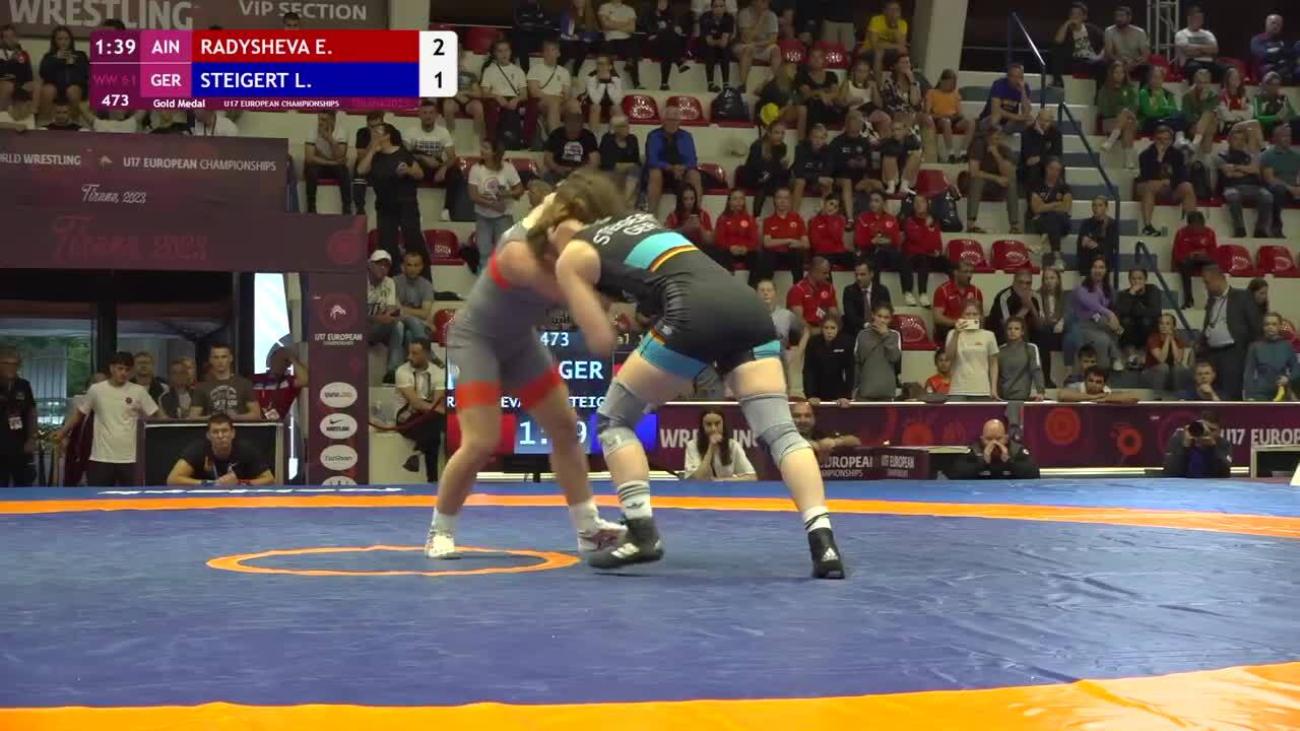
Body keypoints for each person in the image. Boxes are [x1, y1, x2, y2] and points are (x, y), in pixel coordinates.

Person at [534, 179, 846, 578]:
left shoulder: (573, 255)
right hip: (746, 307)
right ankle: (824, 544)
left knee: (614, 419)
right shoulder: (640, 220)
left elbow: (600, 339)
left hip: (691, 312)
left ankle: (641, 531)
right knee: (782, 433)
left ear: (563, 221)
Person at [426, 176, 628, 560]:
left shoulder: (553, 230)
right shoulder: (517, 254)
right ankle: (441, 529)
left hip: (519, 343)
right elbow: (580, 300)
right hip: (477, 342)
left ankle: (588, 529)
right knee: (481, 441)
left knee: (565, 428)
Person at [54, 352, 159, 487]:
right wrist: (62, 432)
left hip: (130, 457)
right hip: (100, 457)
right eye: (120, 368)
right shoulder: (96, 390)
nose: (123, 373)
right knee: (97, 496)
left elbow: (156, 415)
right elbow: (79, 414)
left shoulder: (139, 391)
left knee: (132, 497)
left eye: (127, 370)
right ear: (111, 368)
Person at [358, 123, 426, 268]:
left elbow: (420, 173)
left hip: (406, 203)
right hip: (385, 206)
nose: (374, 135)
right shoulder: (374, 156)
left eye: (377, 132)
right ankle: (392, 277)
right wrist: (372, 150)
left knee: (413, 240)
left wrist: (408, 170)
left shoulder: (402, 153)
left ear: (387, 135)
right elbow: (361, 170)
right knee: (387, 245)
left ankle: (422, 276)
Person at [1199, 265, 1263, 400]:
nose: (1205, 287)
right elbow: (1208, 325)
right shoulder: (1211, 301)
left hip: (1233, 353)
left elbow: (1256, 326)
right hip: (1212, 353)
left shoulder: (1242, 296)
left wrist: (1253, 353)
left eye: (1207, 282)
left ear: (1218, 279)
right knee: (1213, 392)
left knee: (1231, 391)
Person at [166, 414, 275, 486]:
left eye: (224, 431)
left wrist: (239, 483)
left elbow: (269, 479)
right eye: (215, 432)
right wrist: (211, 484)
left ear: (233, 433)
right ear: (208, 435)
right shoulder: (198, 449)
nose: (220, 436)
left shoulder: (245, 450)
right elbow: (172, 479)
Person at [394, 337, 446, 482]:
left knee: (433, 427)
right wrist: (439, 410)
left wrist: (436, 409)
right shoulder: (402, 371)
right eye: (410, 352)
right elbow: (416, 403)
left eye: (415, 353)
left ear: (427, 354)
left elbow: (437, 402)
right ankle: (433, 480)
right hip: (406, 416)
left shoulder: (438, 373)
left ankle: (418, 452)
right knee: (434, 429)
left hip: (429, 418)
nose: (409, 357)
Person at [468, 138, 525, 267]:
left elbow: (520, 189)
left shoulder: (508, 168)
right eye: (482, 147)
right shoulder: (476, 169)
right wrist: (493, 205)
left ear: (495, 152)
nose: (482, 150)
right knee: (484, 252)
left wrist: (506, 194)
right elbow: (473, 195)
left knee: (504, 252)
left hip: (504, 216)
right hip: (483, 216)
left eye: (486, 148)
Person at [1136, 124, 1196, 237]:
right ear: (1154, 139)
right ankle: (1147, 226)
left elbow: (1182, 175)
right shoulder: (1145, 155)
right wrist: (1159, 158)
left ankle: (1193, 226)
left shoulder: (1177, 155)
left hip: (1171, 188)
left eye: (1166, 139)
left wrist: (1170, 182)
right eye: (1160, 139)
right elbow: (1146, 175)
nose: (1163, 142)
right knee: (1150, 185)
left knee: (1187, 186)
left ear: (1171, 140)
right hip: (1151, 188)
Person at [1219, 125, 1276, 239]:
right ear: (1229, 140)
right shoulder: (1223, 155)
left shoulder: (1250, 155)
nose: (1239, 142)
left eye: (1242, 140)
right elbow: (1228, 173)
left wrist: (1237, 167)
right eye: (1236, 139)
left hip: (1254, 187)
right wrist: (1247, 170)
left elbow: (1256, 170)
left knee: (1267, 196)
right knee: (1233, 196)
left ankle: (1260, 230)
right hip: (1232, 186)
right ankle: (1239, 228)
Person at [645, 106, 703, 215]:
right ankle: (652, 215)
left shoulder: (686, 136)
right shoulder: (653, 136)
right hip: (662, 172)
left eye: (676, 120)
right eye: (670, 120)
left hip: (681, 172)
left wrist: (682, 168)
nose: (673, 123)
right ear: (663, 121)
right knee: (655, 173)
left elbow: (692, 160)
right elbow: (652, 160)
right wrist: (671, 168)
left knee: (694, 175)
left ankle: (695, 213)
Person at [1071, 257, 1124, 372]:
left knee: (1115, 331)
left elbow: (1112, 309)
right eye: (1095, 267)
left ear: (1106, 270)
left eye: (1101, 267)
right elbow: (1093, 305)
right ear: (1090, 270)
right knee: (1104, 339)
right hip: (1084, 327)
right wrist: (1111, 315)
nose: (1098, 270)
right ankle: (1114, 359)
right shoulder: (1081, 289)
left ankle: (1108, 370)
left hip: (1103, 326)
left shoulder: (1109, 289)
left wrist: (1114, 320)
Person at [965, 126, 1020, 234]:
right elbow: (974, 172)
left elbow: (1008, 174)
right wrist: (996, 178)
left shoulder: (1005, 150)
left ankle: (1014, 226)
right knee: (977, 181)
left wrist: (996, 154)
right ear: (988, 138)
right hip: (981, 183)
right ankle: (971, 224)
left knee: (1011, 182)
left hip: (996, 186)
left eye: (999, 137)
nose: (997, 140)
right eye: (995, 137)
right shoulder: (978, 145)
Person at [946, 418, 1040, 479]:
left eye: (998, 439)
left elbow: (1034, 474)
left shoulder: (1016, 451)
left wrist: (1009, 462)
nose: (994, 443)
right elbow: (955, 476)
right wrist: (982, 462)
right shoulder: (973, 451)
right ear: (982, 439)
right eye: (989, 439)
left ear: (1006, 438)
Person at [902, 194, 950, 309]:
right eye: (916, 202)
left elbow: (936, 241)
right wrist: (925, 226)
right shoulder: (910, 221)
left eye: (922, 202)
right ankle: (922, 294)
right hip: (913, 257)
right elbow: (917, 239)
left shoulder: (934, 222)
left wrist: (938, 251)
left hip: (930, 255)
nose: (919, 205)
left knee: (949, 263)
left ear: (928, 204)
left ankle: (954, 294)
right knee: (922, 259)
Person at [480, 39, 532, 144]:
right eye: (500, 51)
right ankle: (492, 140)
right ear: (495, 53)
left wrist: (516, 100)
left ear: (510, 52)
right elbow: (484, 93)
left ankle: (524, 140)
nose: (504, 54)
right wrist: (497, 97)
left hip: (514, 99)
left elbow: (524, 94)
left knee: (532, 106)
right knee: (490, 105)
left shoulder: (518, 71)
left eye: (506, 50)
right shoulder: (489, 70)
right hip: (496, 99)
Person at [365, 250, 407, 380]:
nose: (383, 268)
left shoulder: (389, 282)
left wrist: (390, 315)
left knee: (399, 325)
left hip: (378, 328)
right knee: (406, 327)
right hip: (359, 330)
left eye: (386, 265)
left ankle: (392, 373)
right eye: (379, 264)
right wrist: (378, 318)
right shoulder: (359, 281)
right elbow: (352, 314)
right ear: (369, 265)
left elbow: (390, 308)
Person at [189, 344, 261, 420]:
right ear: (210, 360)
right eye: (216, 357)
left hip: (238, 427)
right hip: (213, 427)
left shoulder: (244, 384)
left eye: (224, 357)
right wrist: (212, 418)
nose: (220, 361)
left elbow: (256, 414)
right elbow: (193, 417)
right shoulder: (201, 387)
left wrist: (236, 417)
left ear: (231, 358)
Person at [684, 409, 757, 481]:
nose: (713, 429)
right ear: (702, 427)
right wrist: (711, 447)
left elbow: (752, 477)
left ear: (723, 425)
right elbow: (696, 478)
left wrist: (721, 481)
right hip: (700, 488)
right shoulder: (692, 445)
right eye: (708, 424)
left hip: (726, 488)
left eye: (717, 424)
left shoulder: (733, 445)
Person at [945, 302, 998, 400]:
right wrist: (956, 333)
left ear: (980, 316)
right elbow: (948, 357)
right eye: (967, 314)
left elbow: (993, 364)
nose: (971, 317)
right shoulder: (952, 333)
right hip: (958, 389)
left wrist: (994, 388)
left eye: (975, 314)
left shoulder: (989, 335)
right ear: (961, 316)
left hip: (982, 389)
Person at [737, 120, 791, 217]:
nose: (780, 136)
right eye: (777, 133)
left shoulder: (782, 147)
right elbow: (755, 166)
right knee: (763, 187)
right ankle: (756, 217)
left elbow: (777, 169)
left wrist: (783, 165)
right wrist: (773, 169)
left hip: (770, 176)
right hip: (754, 176)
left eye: (783, 133)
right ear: (769, 133)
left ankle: (782, 216)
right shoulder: (758, 145)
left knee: (782, 184)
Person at [854, 190, 905, 290]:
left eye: (876, 201)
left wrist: (887, 241)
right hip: (869, 252)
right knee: (875, 259)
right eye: (871, 201)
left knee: (903, 259)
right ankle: (875, 291)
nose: (873, 203)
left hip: (888, 253)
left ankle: (907, 292)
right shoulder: (862, 218)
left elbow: (896, 240)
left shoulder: (891, 219)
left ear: (883, 203)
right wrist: (872, 241)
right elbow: (859, 241)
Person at [303, 111, 352, 215]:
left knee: (343, 170)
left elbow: (340, 157)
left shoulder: (341, 131)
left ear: (333, 120)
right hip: (321, 166)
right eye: (319, 119)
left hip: (335, 167)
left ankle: (347, 207)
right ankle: (311, 207)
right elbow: (309, 158)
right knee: (311, 169)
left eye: (324, 120)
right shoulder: (312, 130)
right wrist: (332, 163)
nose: (320, 123)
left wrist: (330, 140)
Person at [0, 347, 36, 487]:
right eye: (6, 363)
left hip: (20, 444)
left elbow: (31, 412)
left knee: (24, 484)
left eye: (15, 364)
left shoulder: (24, 385)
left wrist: (32, 438)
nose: (11, 367)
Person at [1244, 312, 1299, 401]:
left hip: (1281, 391)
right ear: (1263, 327)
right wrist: (1249, 396)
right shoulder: (1255, 347)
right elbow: (1249, 373)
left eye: (1274, 324)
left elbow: (1296, 369)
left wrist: (1288, 379)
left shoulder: (1287, 346)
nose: (1270, 327)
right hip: (1260, 394)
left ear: (1280, 326)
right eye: (1267, 324)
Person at [711, 188, 763, 283]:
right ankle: (728, 283)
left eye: (741, 198)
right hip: (728, 251)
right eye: (735, 199)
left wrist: (746, 248)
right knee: (720, 253)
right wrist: (730, 247)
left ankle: (753, 286)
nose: (738, 202)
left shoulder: (749, 219)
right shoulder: (722, 218)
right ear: (729, 201)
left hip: (745, 251)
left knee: (759, 257)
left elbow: (754, 240)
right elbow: (719, 239)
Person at [1115, 268, 1162, 367]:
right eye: (1134, 279)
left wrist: (1135, 311)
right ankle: (1130, 352)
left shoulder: (1153, 290)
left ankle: (1144, 351)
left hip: (1147, 327)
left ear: (1145, 279)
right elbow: (1121, 312)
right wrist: (1131, 294)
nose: (1137, 282)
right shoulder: (1124, 294)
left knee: (1146, 320)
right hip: (1132, 329)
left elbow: (1155, 312)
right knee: (1125, 321)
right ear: (1129, 280)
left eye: (1140, 278)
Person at [1097, 60, 1140, 169]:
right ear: (1111, 74)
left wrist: (1125, 111)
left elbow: (1135, 106)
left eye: (1122, 72)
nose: (1119, 75)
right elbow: (1104, 110)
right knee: (1126, 119)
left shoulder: (1130, 89)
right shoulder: (1104, 90)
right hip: (1109, 121)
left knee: (1128, 121)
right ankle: (1128, 160)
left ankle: (1111, 141)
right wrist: (1121, 111)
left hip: (1129, 119)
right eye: (1116, 72)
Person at [853, 303, 901, 401]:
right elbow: (858, 362)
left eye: (886, 317)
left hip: (887, 392)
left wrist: (886, 335)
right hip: (865, 391)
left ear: (890, 319)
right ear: (873, 315)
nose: (882, 320)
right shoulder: (862, 335)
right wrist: (854, 387)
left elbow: (894, 358)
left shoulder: (895, 335)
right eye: (879, 316)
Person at [1051, 2, 1105, 87]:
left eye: (1078, 14)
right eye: (1072, 14)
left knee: (1102, 64)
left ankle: (1099, 91)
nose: (1075, 16)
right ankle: (1057, 82)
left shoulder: (1092, 29)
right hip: (1075, 61)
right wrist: (1067, 24)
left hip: (1091, 60)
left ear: (1084, 17)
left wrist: (1100, 56)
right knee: (1057, 52)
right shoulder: (1066, 29)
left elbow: (1105, 42)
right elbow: (1058, 41)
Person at [1029, 157, 1073, 262]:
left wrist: (1046, 207)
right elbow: (1037, 209)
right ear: (1046, 168)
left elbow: (1066, 207)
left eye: (1057, 170)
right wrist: (1055, 204)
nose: (1054, 172)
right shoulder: (1037, 186)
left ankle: (1041, 244)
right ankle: (1057, 258)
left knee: (1053, 217)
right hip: (1041, 222)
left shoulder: (1065, 187)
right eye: (1051, 168)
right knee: (1052, 217)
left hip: (1063, 223)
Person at [762, 187, 811, 281]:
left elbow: (806, 244)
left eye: (786, 198)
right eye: (779, 198)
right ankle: (766, 286)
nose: (782, 201)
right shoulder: (768, 221)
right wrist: (789, 240)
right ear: (775, 200)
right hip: (775, 255)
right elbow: (767, 243)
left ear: (790, 201)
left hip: (792, 254)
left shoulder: (797, 219)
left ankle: (798, 287)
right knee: (767, 256)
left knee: (797, 254)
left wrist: (797, 244)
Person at [1162, 410, 1230, 477]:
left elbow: (1225, 473)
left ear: (1219, 431)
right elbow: (1169, 472)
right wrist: (1185, 447)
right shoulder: (1178, 440)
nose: (1207, 432)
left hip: (1210, 483)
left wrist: (1213, 448)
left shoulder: (1223, 444)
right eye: (1203, 428)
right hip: (1183, 483)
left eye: (1212, 430)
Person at [802, 314, 853, 403]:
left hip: (839, 394)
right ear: (821, 328)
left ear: (838, 329)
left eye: (833, 328)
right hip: (817, 393)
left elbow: (850, 371)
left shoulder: (846, 342)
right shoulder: (813, 342)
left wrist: (846, 396)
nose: (829, 331)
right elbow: (809, 370)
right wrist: (811, 395)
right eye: (826, 328)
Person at [921, 68, 970, 163]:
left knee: (970, 122)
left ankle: (963, 152)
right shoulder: (932, 93)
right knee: (946, 122)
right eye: (949, 82)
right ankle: (950, 152)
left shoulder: (955, 94)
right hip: (939, 119)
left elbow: (959, 113)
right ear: (942, 81)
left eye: (952, 83)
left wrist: (957, 116)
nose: (950, 85)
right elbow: (927, 113)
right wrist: (943, 116)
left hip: (954, 119)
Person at [37, 25, 88, 113]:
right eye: (60, 39)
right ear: (54, 41)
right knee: (47, 90)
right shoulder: (49, 56)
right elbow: (43, 73)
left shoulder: (80, 55)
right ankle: (45, 120)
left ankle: (74, 120)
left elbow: (86, 73)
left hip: (75, 87)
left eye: (66, 39)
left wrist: (74, 63)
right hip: (55, 87)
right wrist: (57, 60)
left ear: (71, 40)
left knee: (72, 90)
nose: (63, 42)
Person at [1172, 211, 1217, 309]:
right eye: (1194, 225)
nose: (1197, 228)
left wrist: (1204, 255)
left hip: (1204, 260)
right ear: (1189, 225)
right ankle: (1188, 300)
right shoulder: (1181, 233)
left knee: (1212, 266)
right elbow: (1177, 254)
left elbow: (1214, 253)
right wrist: (1190, 255)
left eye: (1199, 225)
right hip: (1188, 261)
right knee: (1185, 266)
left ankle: (1212, 300)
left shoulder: (1209, 233)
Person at [544, 108, 601, 183]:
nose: (573, 127)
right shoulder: (556, 134)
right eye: (570, 125)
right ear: (565, 124)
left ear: (581, 126)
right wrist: (557, 168)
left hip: (581, 172)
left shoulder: (588, 136)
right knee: (547, 177)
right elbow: (548, 157)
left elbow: (594, 160)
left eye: (576, 126)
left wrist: (581, 171)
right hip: (559, 171)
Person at [733, 0, 779, 92]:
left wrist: (757, 44)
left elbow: (773, 39)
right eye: (763, 1)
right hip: (743, 45)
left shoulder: (772, 15)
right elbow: (747, 39)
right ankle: (742, 84)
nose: (766, 3)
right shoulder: (744, 13)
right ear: (753, 2)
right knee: (748, 49)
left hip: (761, 46)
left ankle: (773, 82)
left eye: (767, 1)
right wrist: (761, 20)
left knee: (776, 49)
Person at [932, 258, 981, 345]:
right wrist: (959, 323)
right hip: (950, 329)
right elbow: (937, 318)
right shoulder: (943, 290)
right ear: (955, 272)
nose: (969, 275)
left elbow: (981, 316)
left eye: (971, 272)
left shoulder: (976, 291)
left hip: (971, 329)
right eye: (965, 272)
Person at [644, 0, 689, 91]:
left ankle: (664, 84)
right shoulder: (649, 14)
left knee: (667, 50)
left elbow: (674, 28)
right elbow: (647, 28)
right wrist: (658, 30)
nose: (662, 4)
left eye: (664, 2)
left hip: (666, 46)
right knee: (667, 36)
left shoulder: (671, 14)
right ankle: (678, 62)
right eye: (660, 2)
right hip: (653, 43)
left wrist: (677, 30)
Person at [997, 316, 1045, 401]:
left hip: (1022, 397)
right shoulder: (1000, 350)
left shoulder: (1030, 348)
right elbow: (996, 374)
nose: (1012, 331)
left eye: (1016, 329)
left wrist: (1040, 391)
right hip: (1002, 397)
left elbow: (1036, 371)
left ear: (1022, 332)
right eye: (1009, 329)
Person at [1144, 313, 1193, 393]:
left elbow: (1178, 360)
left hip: (1171, 373)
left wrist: (1172, 340)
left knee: (1180, 368)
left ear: (1173, 327)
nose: (1164, 326)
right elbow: (1161, 359)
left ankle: (1179, 396)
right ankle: (1158, 396)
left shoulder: (1178, 341)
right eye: (1161, 323)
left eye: (1167, 324)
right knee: (1164, 367)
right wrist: (1167, 339)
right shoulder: (1153, 338)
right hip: (1151, 372)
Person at [599, 115, 642, 204]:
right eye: (623, 126)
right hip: (610, 170)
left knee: (635, 170)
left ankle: (624, 201)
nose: (627, 128)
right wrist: (625, 165)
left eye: (627, 125)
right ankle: (623, 203)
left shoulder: (632, 139)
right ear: (616, 128)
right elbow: (606, 162)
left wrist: (627, 166)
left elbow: (636, 160)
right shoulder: (607, 139)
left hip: (629, 172)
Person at [978, 62, 1032, 134]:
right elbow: (996, 109)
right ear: (1008, 76)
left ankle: (1004, 130)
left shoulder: (1024, 87)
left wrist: (1023, 91)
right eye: (1013, 76)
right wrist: (1017, 117)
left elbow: (1026, 112)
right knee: (996, 117)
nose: (1016, 79)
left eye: (1019, 77)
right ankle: (996, 131)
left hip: (1009, 122)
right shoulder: (999, 84)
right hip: (990, 119)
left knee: (1030, 120)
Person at [598, 0, 640, 89]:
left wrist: (613, 23)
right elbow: (605, 25)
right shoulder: (604, 7)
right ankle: (610, 82)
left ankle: (636, 83)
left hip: (626, 40)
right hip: (611, 40)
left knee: (634, 43)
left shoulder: (629, 10)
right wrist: (625, 23)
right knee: (605, 49)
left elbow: (632, 28)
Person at [841, 259, 891, 335]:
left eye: (862, 274)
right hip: (856, 330)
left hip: (879, 329)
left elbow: (886, 312)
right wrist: (867, 325)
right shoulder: (849, 291)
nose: (858, 278)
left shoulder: (882, 290)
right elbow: (850, 316)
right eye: (856, 275)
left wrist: (877, 325)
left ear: (871, 274)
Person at [1262, 124, 1300, 224]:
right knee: (1279, 189)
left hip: (1294, 189)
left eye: (1289, 136)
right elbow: (1270, 179)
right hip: (1276, 190)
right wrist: (1290, 188)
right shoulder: (1268, 155)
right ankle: (1276, 225)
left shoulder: (1297, 156)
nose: (1288, 139)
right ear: (1275, 138)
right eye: (1284, 136)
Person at [861, 0, 908, 78]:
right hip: (869, 50)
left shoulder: (903, 24)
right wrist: (895, 46)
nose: (894, 13)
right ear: (884, 11)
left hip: (889, 51)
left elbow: (902, 46)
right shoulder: (876, 20)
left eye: (897, 10)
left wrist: (895, 26)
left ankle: (900, 81)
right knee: (879, 52)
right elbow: (875, 44)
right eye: (891, 9)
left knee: (903, 52)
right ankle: (878, 83)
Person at [1104, 5, 1150, 81]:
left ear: (1129, 18)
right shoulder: (1109, 31)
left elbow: (1145, 55)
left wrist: (1134, 64)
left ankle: (1143, 89)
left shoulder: (1140, 32)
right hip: (1116, 62)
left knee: (1147, 68)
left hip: (1134, 63)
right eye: (1116, 16)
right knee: (1103, 65)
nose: (1118, 19)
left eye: (1121, 16)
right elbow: (1109, 53)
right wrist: (1121, 62)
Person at [1137, 65, 1185, 137]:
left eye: (1160, 78)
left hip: (1166, 120)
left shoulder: (1168, 93)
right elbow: (1148, 112)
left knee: (1181, 115)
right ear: (1149, 79)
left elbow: (1173, 109)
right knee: (1166, 122)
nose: (1157, 80)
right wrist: (1164, 110)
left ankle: (1179, 138)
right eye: (1154, 77)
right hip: (1150, 121)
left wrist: (1160, 109)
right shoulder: (1144, 93)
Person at [697, 0, 735, 92]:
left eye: (721, 6)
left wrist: (717, 41)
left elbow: (724, 43)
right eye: (716, 6)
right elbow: (709, 41)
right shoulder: (705, 18)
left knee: (725, 51)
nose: (719, 9)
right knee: (710, 50)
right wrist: (718, 41)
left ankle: (726, 84)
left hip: (722, 47)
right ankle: (710, 84)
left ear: (725, 8)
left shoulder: (729, 18)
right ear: (711, 8)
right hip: (706, 47)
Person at [1076, 195, 1118, 276]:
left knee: (1104, 256)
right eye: (1094, 205)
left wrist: (1095, 245)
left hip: (1104, 259)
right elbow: (1081, 244)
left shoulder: (1111, 224)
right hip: (1088, 259)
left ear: (1106, 208)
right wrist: (1096, 245)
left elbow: (1110, 245)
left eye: (1100, 205)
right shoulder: (1086, 223)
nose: (1096, 208)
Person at [582, 54, 625, 131]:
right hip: (593, 107)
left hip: (610, 107)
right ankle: (593, 136)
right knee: (596, 107)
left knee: (617, 108)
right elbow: (596, 100)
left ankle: (611, 136)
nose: (600, 66)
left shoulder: (616, 79)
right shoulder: (591, 78)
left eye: (603, 64)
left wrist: (608, 82)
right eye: (598, 64)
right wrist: (602, 82)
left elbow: (617, 101)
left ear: (610, 66)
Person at [807, 195, 852, 268]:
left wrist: (830, 219)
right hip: (822, 252)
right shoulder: (814, 220)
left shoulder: (840, 220)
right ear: (824, 203)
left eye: (836, 206)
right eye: (831, 204)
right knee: (823, 262)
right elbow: (815, 242)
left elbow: (837, 238)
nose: (832, 208)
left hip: (839, 252)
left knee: (854, 259)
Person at [665, 185, 715, 249]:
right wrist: (683, 229)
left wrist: (700, 227)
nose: (689, 202)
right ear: (680, 200)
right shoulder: (673, 216)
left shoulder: (703, 215)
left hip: (700, 250)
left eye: (692, 199)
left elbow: (710, 241)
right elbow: (667, 238)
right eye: (685, 199)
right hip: (680, 249)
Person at [1059, 365, 1138, 403]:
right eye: (1091, 381)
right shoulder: (1076, 386)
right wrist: (1094, 397)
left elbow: (1134, 397)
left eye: (1098, 382)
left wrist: (1106, 399)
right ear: (1085, 381)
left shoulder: (1106, 391)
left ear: (1104, 384)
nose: (1094, 384)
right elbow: (1062, 395)